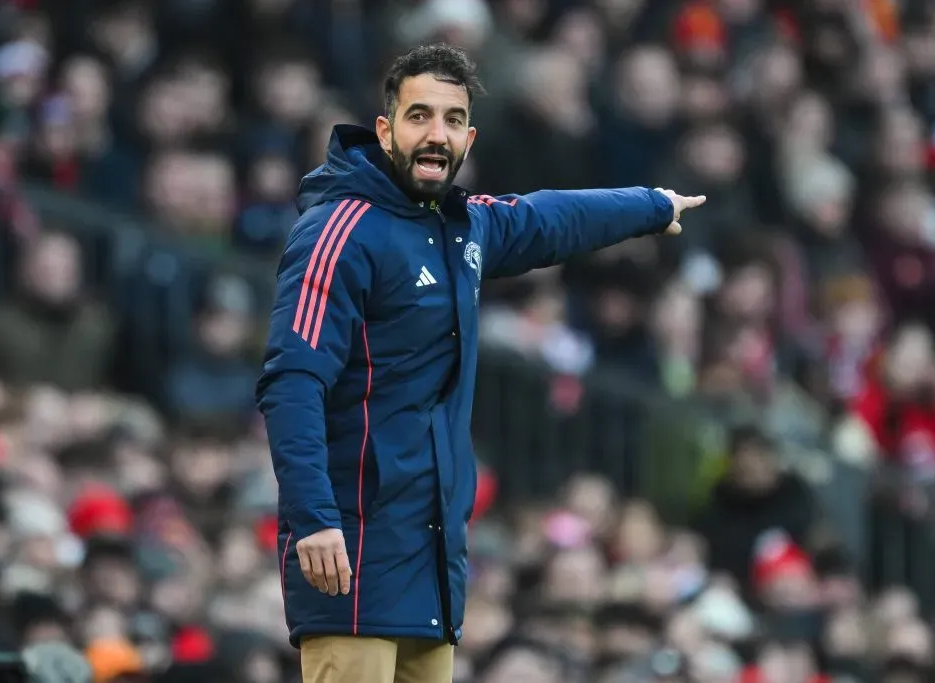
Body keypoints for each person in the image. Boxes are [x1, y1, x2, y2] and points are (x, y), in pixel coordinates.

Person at [256, 43, 705, 683]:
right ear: (386, 130)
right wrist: (314, 519)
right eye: (418, 116)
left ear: (469, 136)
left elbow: (548, 217)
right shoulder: (339, 230)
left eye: (450, 119)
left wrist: (652, 205)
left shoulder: (462, 227)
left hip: (433, 550)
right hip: (353, 546)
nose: (434, 134)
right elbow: (291, 380)